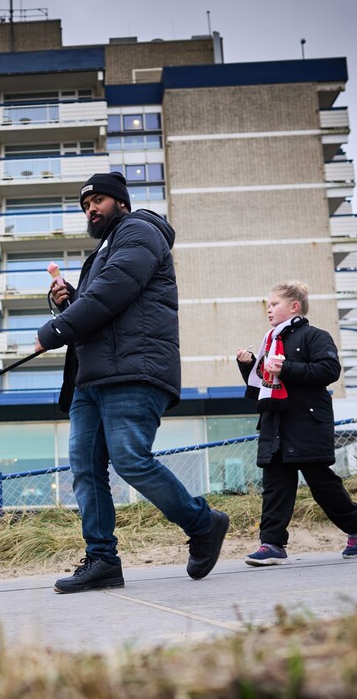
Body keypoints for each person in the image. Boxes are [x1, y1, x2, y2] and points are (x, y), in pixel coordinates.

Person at [35, 172, 229, 593]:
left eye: (98, 200)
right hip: (92, 376)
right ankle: (102, 559)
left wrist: (56, 329)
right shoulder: (106, 248)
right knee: (85, 469)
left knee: (129, 459)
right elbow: (104, 303)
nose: (91, 209)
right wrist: (69, 299)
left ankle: (203, 523)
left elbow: (112, 291)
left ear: (121, 202)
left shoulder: (139, 231)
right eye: (86, 205)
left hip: (132, 368)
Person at [235, 283, 357, 565]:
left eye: (274, 304)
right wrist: (248, 365)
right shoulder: (269, 342)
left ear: (294, 307)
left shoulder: (315, 336)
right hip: (275, 424)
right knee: (275, 487)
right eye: (268, 304)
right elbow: (262, 386)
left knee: (322, 484)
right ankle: (272, 545)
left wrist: (285, 367)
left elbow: (330, 370)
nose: (268, 309)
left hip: (307, 423)